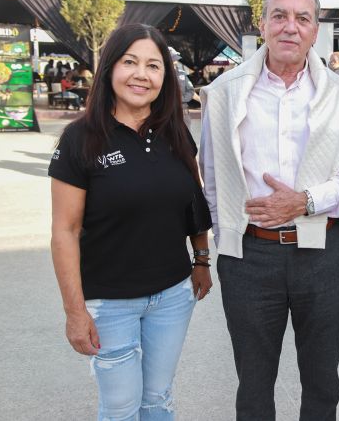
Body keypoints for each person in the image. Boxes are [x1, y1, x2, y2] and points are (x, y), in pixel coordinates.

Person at [199, 0, 339, 421]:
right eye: (279, 15)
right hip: (249, 257)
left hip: (324, 252)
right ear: (261, 24)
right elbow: (210, 178)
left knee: (321, 382)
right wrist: (224, 247)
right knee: (254, 383)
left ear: (315, 31)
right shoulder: (223, 93)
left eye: (302, 18)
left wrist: (306, 201)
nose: (290, 27)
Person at [48, 23, 212, 421]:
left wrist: (202, 258)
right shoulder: (80, 138)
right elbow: (64, 232)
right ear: (109, 69)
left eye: (154, 66)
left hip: (173, 297)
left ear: (164, 78)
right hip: (111, 302)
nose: (142, 74)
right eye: (130, 62)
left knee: (158, 399)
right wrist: (75, 312)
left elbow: (193, 201)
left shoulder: (176, 132)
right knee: (120, 408)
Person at [168, 46, 197, 128]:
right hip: (167, 113)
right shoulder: (161, 75)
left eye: (175, 59)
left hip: (183, 112)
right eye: (173, 59)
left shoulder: (182, 73)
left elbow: (191, 91)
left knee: (186, 138)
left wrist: (181, 98)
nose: (175, 61)